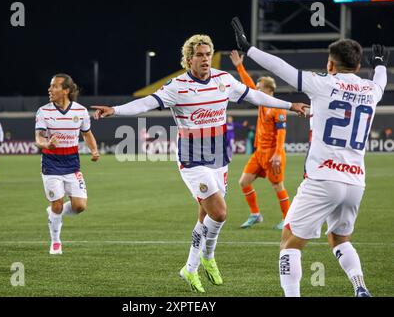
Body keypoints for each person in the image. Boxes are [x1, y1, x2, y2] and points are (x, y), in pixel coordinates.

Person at [91, 34, 308, 293]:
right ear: (188, 59)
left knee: (205, 217)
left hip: (219, 158)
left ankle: (193, 266)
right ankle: (204, 258)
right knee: (220, 212)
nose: (205, 59)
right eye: (199, 55)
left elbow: (255, 97)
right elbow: (146, 103)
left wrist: (290, 105)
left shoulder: (223, 80)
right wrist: (115, 110)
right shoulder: (177, 87)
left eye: (208, 54)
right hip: (192, 160)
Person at [232, 16, 389, 297]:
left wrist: (249, 49)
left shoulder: (321, 84)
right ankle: (360, 287)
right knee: (339, 238)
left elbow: (282, 68)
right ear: (357, 65)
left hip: (322, 179)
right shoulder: (371, 91)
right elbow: (380, 80)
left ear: (330, 64)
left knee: (288, 243)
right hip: (355, 182)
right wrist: (379, 63)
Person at [35, 73, 100, 255]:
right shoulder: (44, 111)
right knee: (57, 204)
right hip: (51, 163)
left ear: (66, 90)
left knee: (80, 206)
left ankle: (54, 213)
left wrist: (94, 150)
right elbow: (38, 138)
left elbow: (86, 133)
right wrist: (46, 143)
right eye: (50, 86)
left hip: (72, 164)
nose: (50, 89)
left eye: (54, 86)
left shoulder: (80, 111)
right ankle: (56, 242)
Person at [229, 50, 290, 230]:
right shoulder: (262, 103)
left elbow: (281, 134)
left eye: (259, 86)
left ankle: (288, 219)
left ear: (269, 89)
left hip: (273, 153)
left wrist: (278, 154)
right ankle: (255, 214)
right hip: (259, 153)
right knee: (243, 182)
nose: (256, 88)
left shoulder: (277, 108)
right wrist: (239, 66)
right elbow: (248, 85)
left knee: (278, 185)